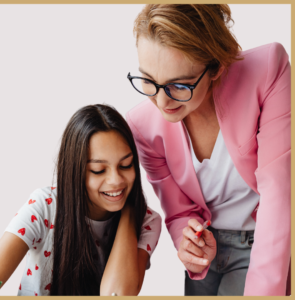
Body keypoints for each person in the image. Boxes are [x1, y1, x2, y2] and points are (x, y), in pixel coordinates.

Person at [126, 4, 290, 296]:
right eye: (149, 81)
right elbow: (178, 212)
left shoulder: (268, 70)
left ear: (215, 67)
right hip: (208, 254)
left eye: (179, 85)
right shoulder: (142, 126)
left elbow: (280, 191)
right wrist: (187, 242)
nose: (162, 102)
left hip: (262, 244)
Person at [0, 104, 162, 296]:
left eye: (125, 165)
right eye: (98, 170)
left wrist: (129, 211)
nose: (116, 180)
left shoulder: (147, 221)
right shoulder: (43, 206)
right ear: (74, 172)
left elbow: (117, 293)